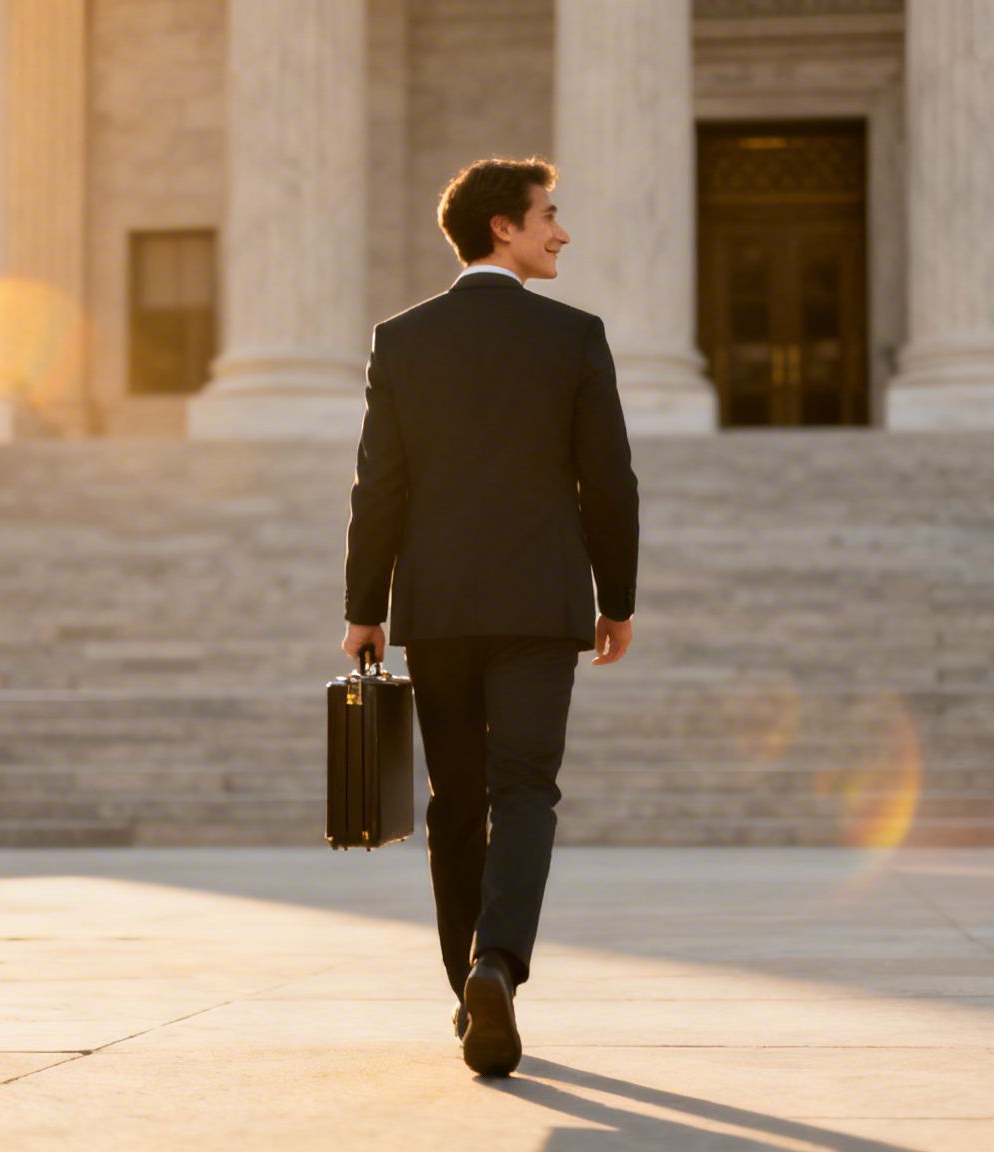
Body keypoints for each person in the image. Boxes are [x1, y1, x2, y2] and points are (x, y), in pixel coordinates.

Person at [341, 156, 639, 1078]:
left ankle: (465, 988)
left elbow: (378, 488)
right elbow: (610, 483)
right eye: (549, 215)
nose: (561, 232)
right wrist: (616, 598)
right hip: (542, 604)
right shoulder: (574, 336)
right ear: (502, 228)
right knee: (526, 791)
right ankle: (496, 964)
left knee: (456, 803)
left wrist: (365, 608)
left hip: (438, 608)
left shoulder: (402, 340)